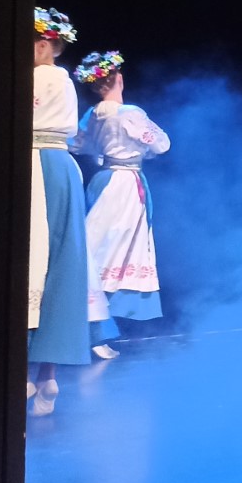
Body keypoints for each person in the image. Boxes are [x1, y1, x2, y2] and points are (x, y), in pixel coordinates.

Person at [71, 51, 171, 333]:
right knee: (111, 248)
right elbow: (162, 144)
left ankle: (96, 322)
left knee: (98, 243)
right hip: (124, 184)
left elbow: (77, 144)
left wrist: (104, 152)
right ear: (118, 79)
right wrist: (138, 152)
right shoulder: (130, 114)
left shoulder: (93, 114)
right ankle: (94, 323)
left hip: (102, 179)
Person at [28, 8, 94, 415]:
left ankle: (22, 369)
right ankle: (47, 375)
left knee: (31, 259)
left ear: (46, 44)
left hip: (35, 163)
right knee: (60, 261)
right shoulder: (65, 81)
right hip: (62, 166)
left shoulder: (37, 77)